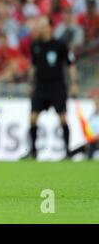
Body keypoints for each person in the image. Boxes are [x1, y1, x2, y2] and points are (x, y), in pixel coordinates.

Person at [23, 16, 79, 160]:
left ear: (50, 27)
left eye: (42, 25)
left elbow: (70, 64)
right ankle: (33, 152)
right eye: (39, 26)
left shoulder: (60, 45)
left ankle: (67, 151)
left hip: (57, 86)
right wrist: (30, 84)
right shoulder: (35, 45)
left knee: (62, 118)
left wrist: (73, 84)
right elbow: (33, 66)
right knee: (33, 118)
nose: (40, 28)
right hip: (40, 86)